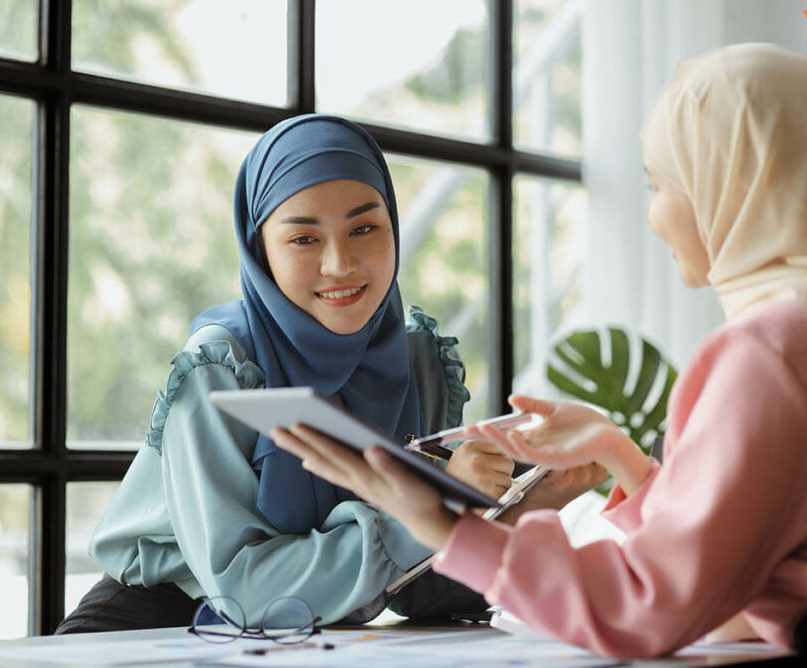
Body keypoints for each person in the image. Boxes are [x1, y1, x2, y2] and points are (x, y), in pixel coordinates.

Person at [271, 44, 807, 658]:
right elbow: (733, 569)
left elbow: (649, 609)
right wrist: (622, 457)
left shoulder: (772, 354)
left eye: (661, 184)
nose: (652, 215)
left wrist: (441, 524)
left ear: (738, 188)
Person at [56, 114, 601, 634]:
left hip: (314, 641)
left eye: (365, 227)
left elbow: (411, 588)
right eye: (303, 238)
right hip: (155, 630)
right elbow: (246, 594)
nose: (340, 264)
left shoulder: (420, 360)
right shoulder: (222, 370)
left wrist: (528, 505)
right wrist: (434, 505)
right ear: (259, 249)